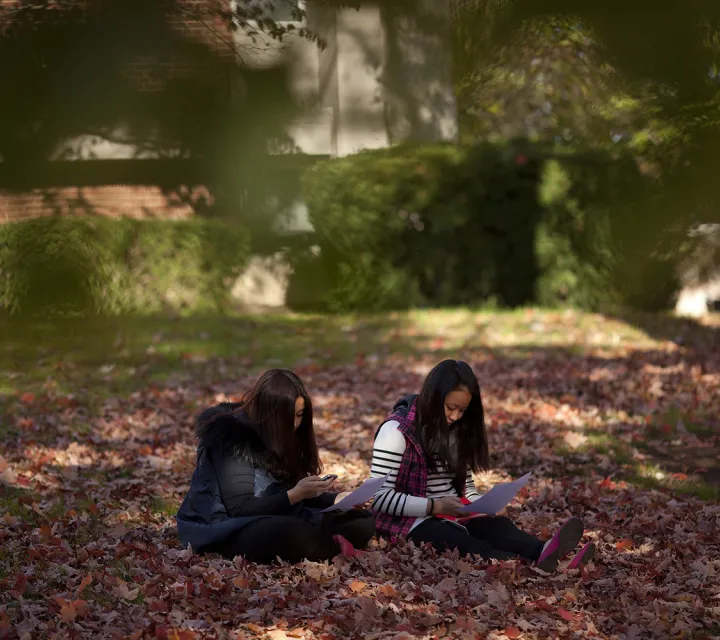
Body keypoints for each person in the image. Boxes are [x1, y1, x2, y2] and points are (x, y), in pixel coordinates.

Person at [370, 359, 595, 572]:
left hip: (452, 512)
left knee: (498, 527)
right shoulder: (396, 432)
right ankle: (539, 565)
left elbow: (466, 488)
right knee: (461, 542)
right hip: (412, 520)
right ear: (433, 398)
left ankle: (543, 551)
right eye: (450, 407)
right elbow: (379, 499)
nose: (455, 416)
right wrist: (433, 507)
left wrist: (483, 505)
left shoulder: (456, 431)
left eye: (462, 410)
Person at [176, 368, 375, 563]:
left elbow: (289, 493)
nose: (296, 424)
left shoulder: (284, 435)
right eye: (290, 417)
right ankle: (331, 547)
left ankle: (324, 545)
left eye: (300, 415)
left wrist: (334, 499)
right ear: (270, 414)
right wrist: (296, 494)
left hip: (280, 513)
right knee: (288, 532)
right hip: (225, 526)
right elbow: (240, 508)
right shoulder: (233, 438)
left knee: (362, 521)